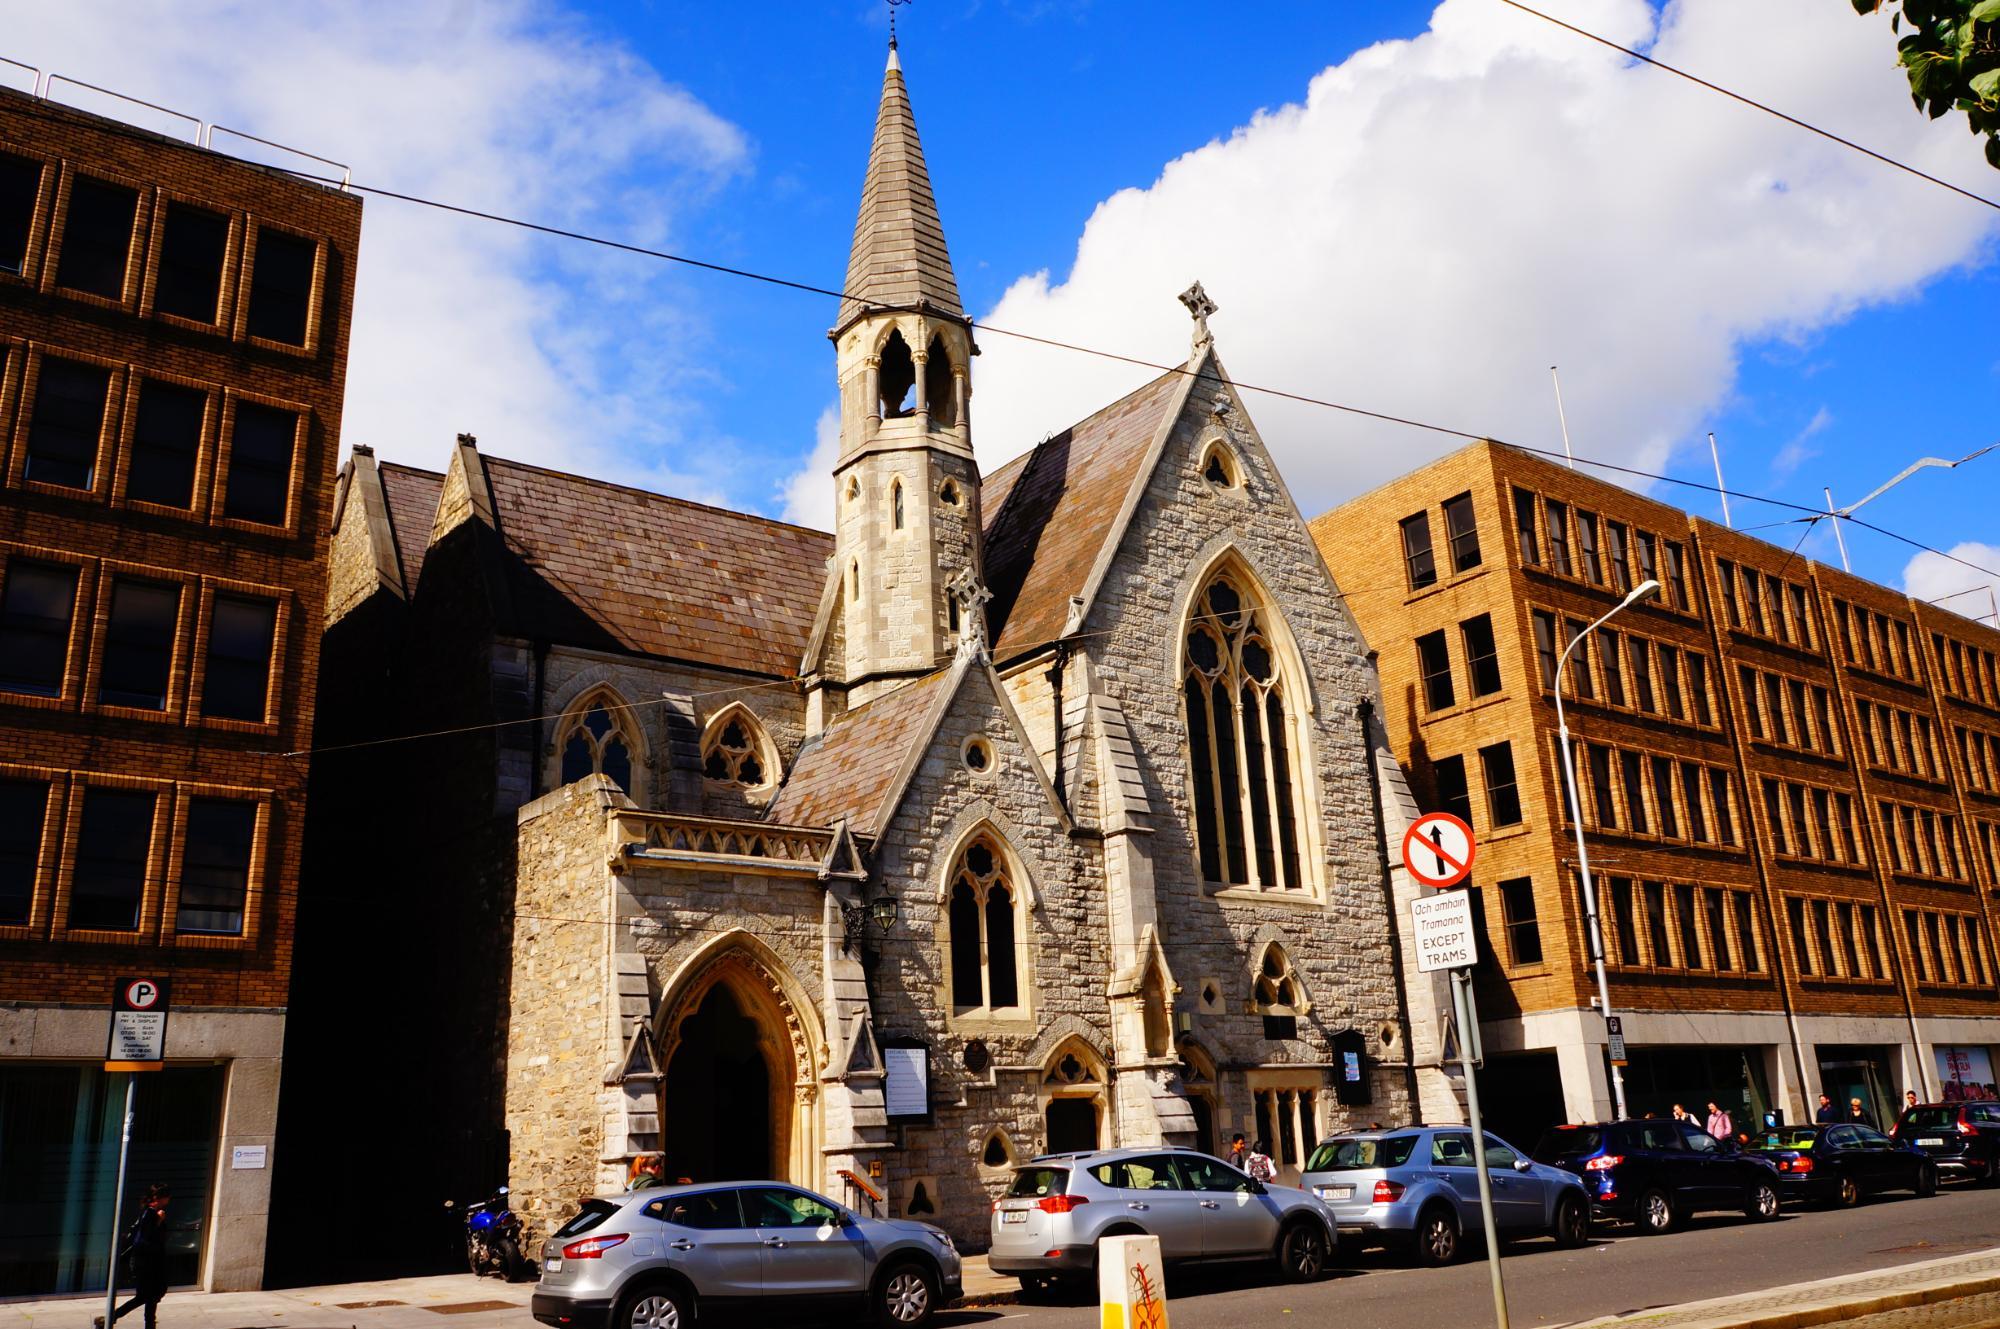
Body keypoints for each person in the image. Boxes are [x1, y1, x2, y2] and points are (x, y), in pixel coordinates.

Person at [96, 1184, 170, 1329]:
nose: (169, 1199)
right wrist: (159, 1221)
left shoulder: (149, 1212)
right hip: (146, 1263)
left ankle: (147, 1324)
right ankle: (109, 1319)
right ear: (160, 1198)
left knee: (150, 1296)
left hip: (149, 1263)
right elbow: (145, 1239)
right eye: (167, 1196)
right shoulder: (150, 1214)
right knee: (146, 1296)